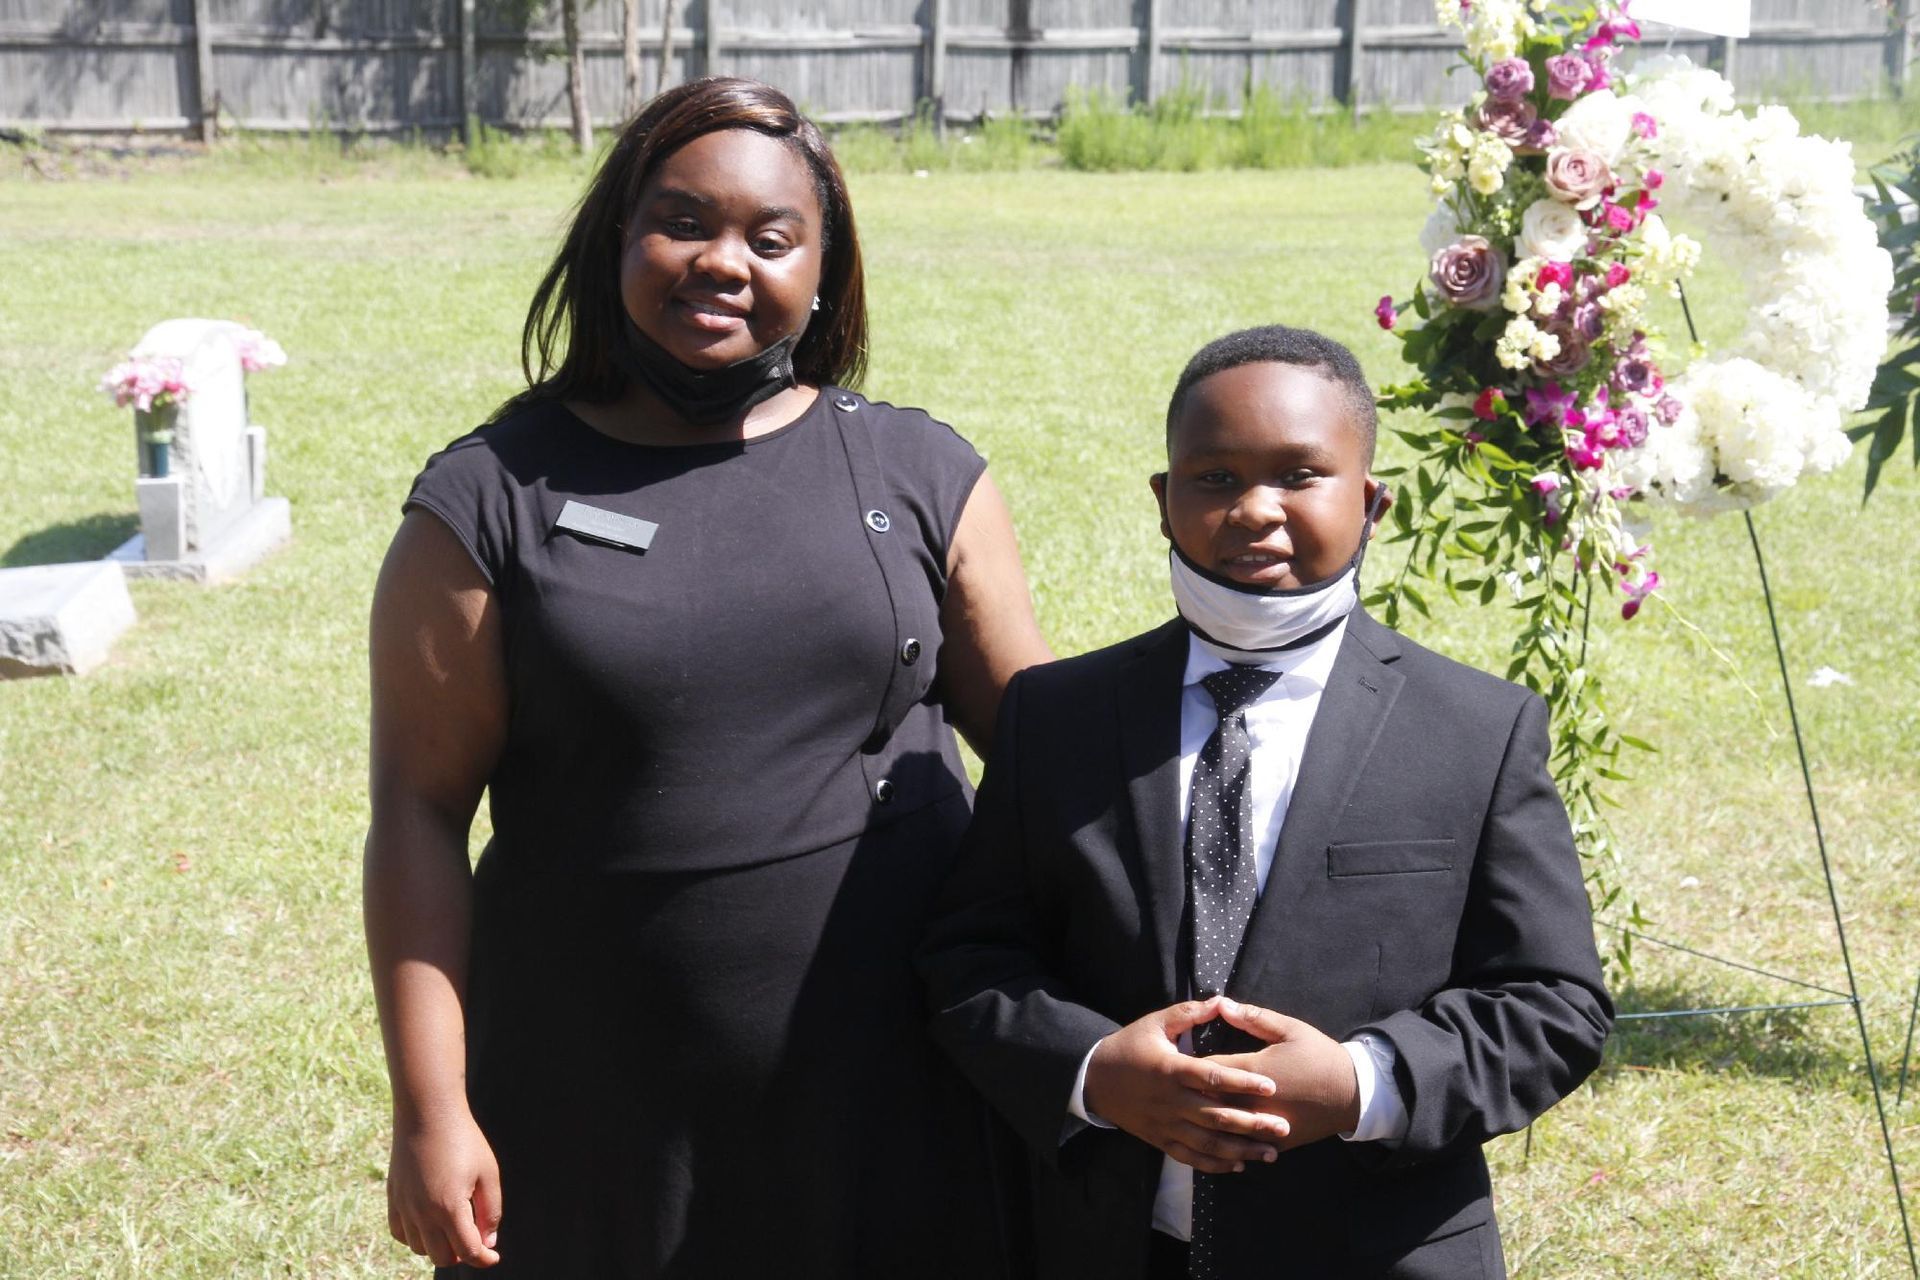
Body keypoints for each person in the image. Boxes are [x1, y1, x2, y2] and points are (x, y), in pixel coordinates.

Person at [364, 77, 1050, 1277]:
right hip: (592, 1100)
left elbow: (1046, 750)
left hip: (901, 1085)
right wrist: (432, 1108)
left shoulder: (920, 471)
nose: (721, 261)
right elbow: (418, 809)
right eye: (683, 221)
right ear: (617, 238)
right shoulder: (486, 502)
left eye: (769, 237)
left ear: (823, 270)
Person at [917, 324, 1612, 1279]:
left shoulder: (1474, 731)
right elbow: (971, 956)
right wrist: (1093, 1072)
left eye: (1298, 475)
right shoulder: (1059, 717)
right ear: (1163, 503)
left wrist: (1367, 1082)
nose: (1254, 510)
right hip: (1112, 1242)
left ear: (1370, 503)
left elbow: (1552, 1002)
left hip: (1377, 1248)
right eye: (1214, 478)